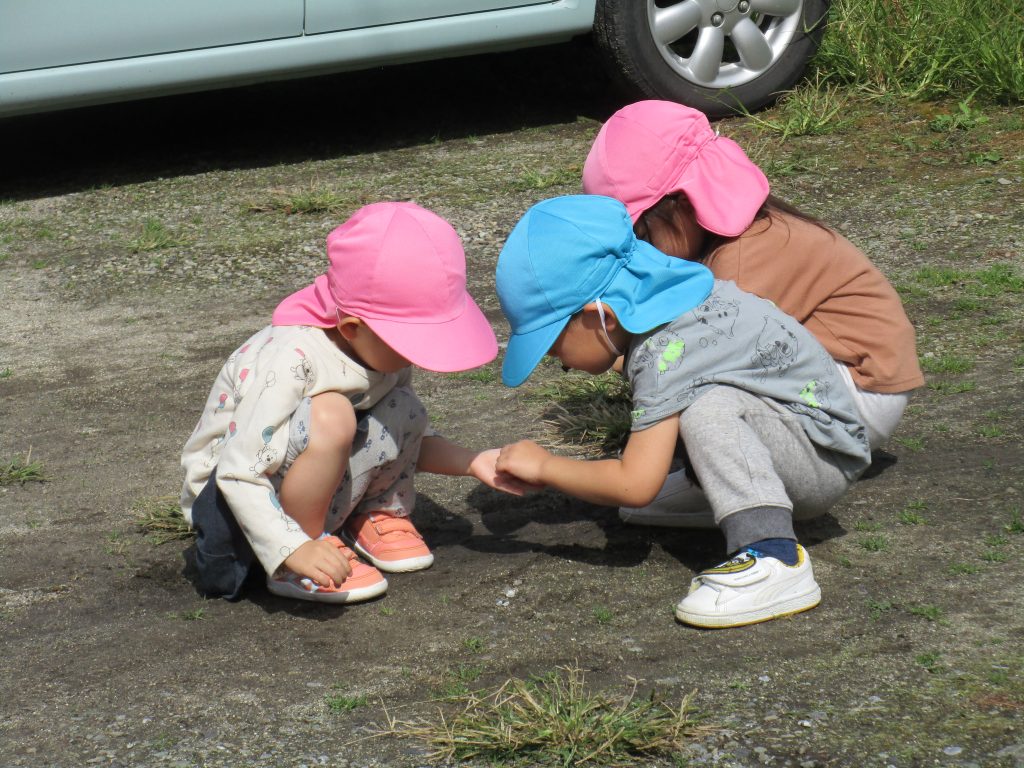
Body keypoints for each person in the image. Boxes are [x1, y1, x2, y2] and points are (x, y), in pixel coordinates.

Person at [494, 195, 871, 628]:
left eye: (553, 345)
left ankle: (773, 555)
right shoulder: (682, 304)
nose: (557, 361)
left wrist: (544, 466)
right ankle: (735, 498)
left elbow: (634, 485)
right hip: (809, 443)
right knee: (681, 433)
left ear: (601, 318)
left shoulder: (665, 352)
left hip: (819, 463)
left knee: (705, 409)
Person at [582, 100, 923, 528]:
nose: (638, 252)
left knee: (695, 383)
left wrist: (617, 356)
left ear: (682, 204)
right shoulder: (733, 236)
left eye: (640, 233)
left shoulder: (745, 254)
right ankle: (731, 480)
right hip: (831, 375)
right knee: (639, 506)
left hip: (857, 391)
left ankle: (760, 516)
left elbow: (700, 353)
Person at [181, 201, 521, 604]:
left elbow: (411, 438)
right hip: (237, 508)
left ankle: (373, 513)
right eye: (411, 342)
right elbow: (239, 472)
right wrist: (292, 546)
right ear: (352, 328)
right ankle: (307, 547)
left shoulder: (379, 352)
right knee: (332, 414)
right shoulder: (291, 358)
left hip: (312, 479)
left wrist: (473, 461)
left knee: (404, 408)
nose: (416, 356)